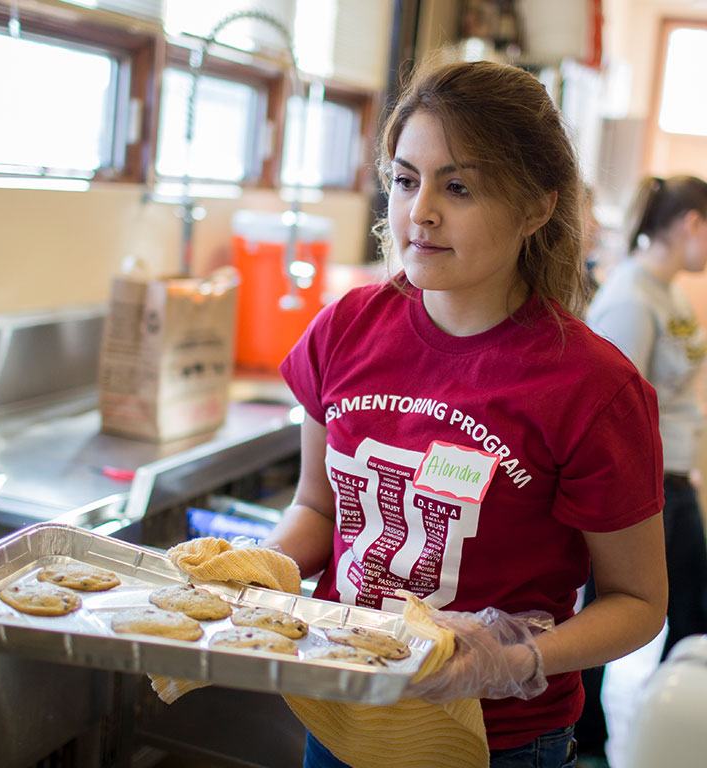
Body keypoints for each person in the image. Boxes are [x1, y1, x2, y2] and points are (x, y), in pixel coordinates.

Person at [265, 57, 667, 768]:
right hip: (340, 706)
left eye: (458, 187)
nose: (420, 211)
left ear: (537, 208)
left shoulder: (591, 388)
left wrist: (514, 660)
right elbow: (318, 512)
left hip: (495, 740)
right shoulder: (345, 329)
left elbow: (638, 602)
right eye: (405, 179)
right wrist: (258, 565)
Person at [586, 175, 707, 660]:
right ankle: (589, 734)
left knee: (693, 609)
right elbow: (612, 409)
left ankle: (674, 717)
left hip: (675, 477)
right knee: (611, 611)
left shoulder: (671, 293)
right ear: (692, 223)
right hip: (648, 485)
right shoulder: (632, 298)